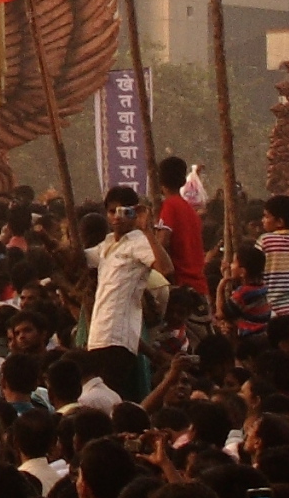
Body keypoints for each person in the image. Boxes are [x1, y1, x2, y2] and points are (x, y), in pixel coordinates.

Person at [82, 186, 170, 399]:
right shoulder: (108, 243)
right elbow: (79, 259)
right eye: (112, 212)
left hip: (118, 337)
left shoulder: (139, 241)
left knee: (107, 396)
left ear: (134, 212)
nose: (117, 217)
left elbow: (166, 269)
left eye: (124, 211)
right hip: (98, 336)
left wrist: (147, 229)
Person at [153, 157, 207, 300]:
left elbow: (162, 243)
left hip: (182, 290)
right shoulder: (190, 210)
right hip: (199, 287)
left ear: (160, 181)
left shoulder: (170, 206)